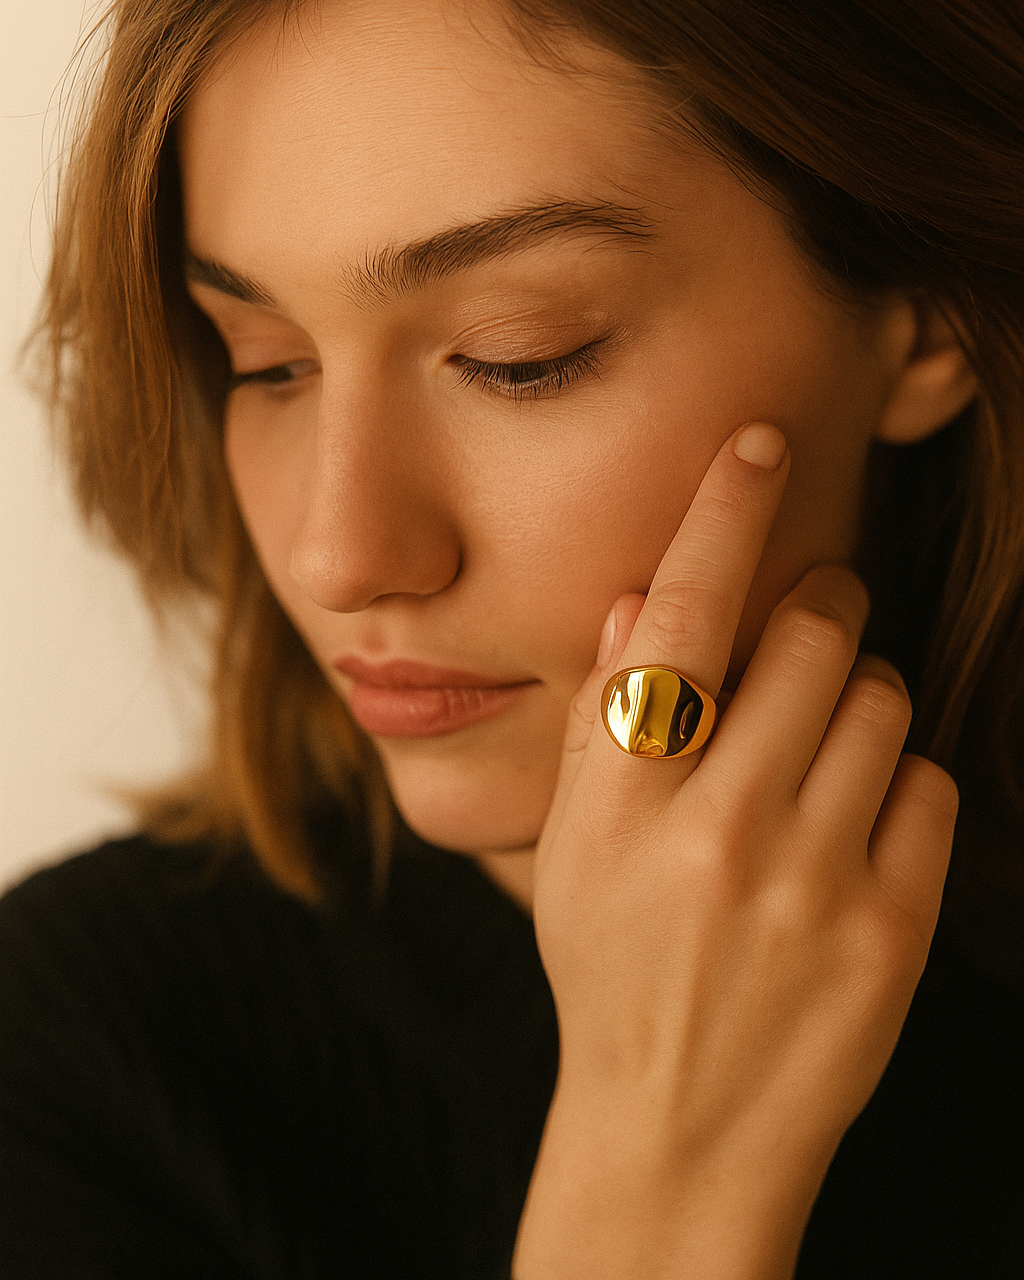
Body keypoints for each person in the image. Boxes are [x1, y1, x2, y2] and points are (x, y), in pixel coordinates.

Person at [1, 0, 1021, 1276]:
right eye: (267, 362)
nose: (338, 556)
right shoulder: (80, 1051)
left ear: (927, 316)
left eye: (517, 356)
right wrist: (660, 1172)